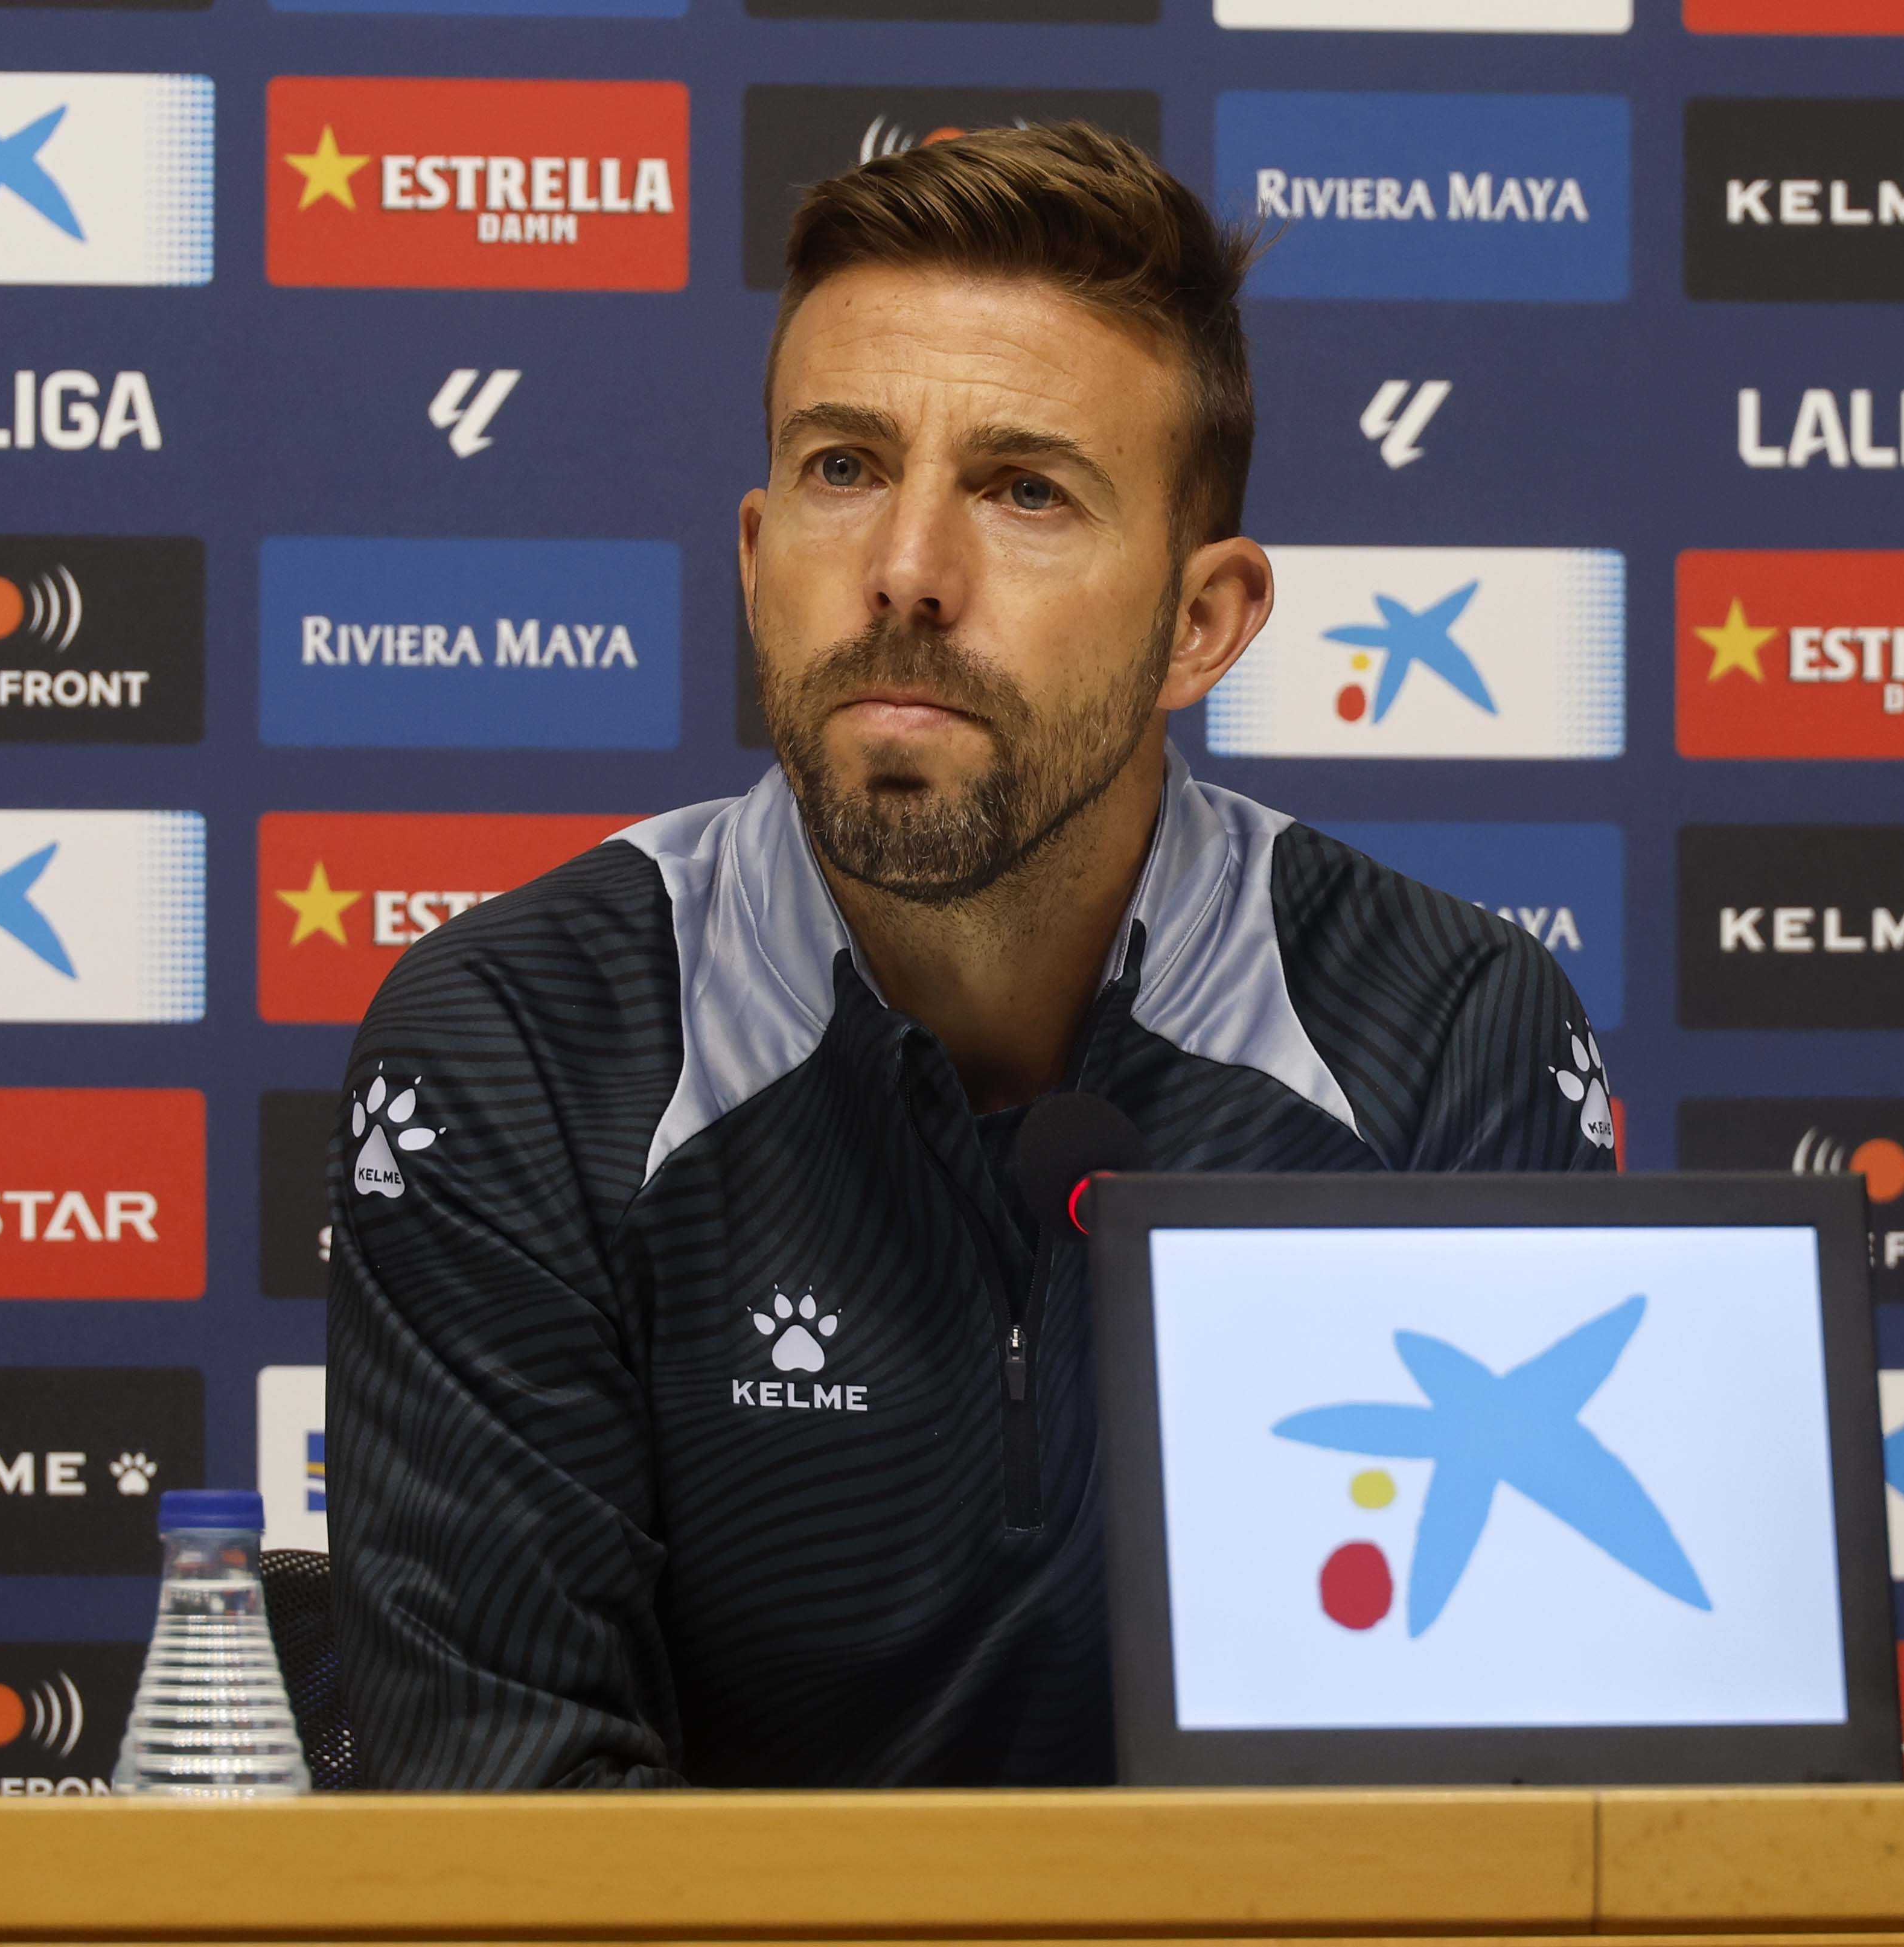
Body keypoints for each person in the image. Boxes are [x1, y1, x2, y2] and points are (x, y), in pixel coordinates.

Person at [328, 123, 1616, 1790]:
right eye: (843, 469)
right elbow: (512, 1826)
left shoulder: (1440, 1030)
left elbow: (1517, 1810)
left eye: (1026, 492)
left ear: (1202, 622)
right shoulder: (522, 1041)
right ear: (753, 557)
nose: (906, 575)